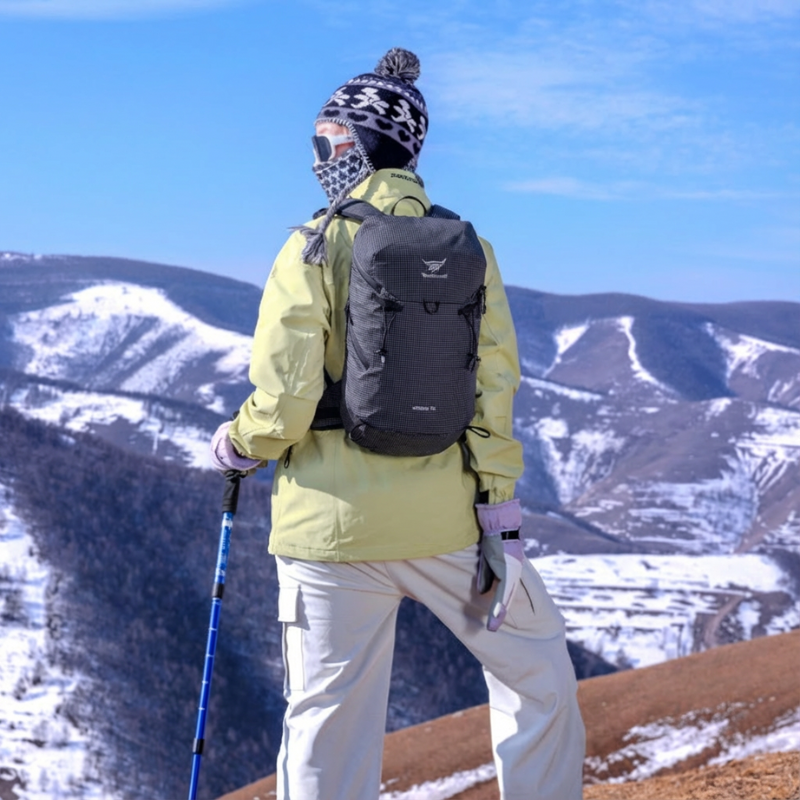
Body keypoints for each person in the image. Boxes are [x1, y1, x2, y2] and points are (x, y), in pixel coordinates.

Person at [210, 47, 585, 800]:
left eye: (324, 142)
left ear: (352, 144)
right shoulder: (469, 249)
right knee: (539, 674)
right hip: (445, 525)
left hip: (328, 534)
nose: (316, 159)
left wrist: (236, 446)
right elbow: (493, 390)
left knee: (327, 719)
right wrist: (498, 511)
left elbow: (283, 403)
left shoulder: (312, 243)